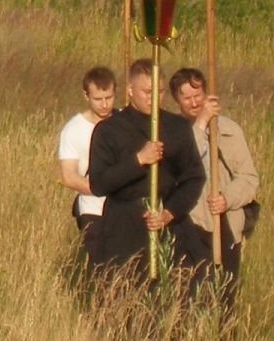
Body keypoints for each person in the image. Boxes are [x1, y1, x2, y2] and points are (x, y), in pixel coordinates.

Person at [87, 59, 207, 299]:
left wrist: (169, 212)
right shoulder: (109, 130)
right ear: (130, 90)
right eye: (147, 92)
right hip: (124, 226)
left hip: (170, 224)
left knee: (180, 297)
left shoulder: (177, 127)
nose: (155, 98)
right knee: (126, 299)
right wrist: (138, 160)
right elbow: (98, 183)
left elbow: (194, 177)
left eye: (160, 92)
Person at [169, 66, 260, 311]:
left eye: (198, 95)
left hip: (225, 226)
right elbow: (183, 166)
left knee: (224, 300)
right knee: (188, 298)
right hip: (190, 226)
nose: (193, 102)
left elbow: (249, 178)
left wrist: (227, 199)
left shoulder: (229, 130)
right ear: (177, 100)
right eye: (186, 98)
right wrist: (200, 125)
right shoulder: (173, 132)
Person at [57, 66, 118, 279]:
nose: (104, 104)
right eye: (98, 98)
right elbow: (69, 176)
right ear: (86, 96)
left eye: (109, 98)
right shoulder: (73, 129)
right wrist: (103, 188)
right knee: (103, 271)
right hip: (93, 209)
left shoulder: (124, 122)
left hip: (124, 209)